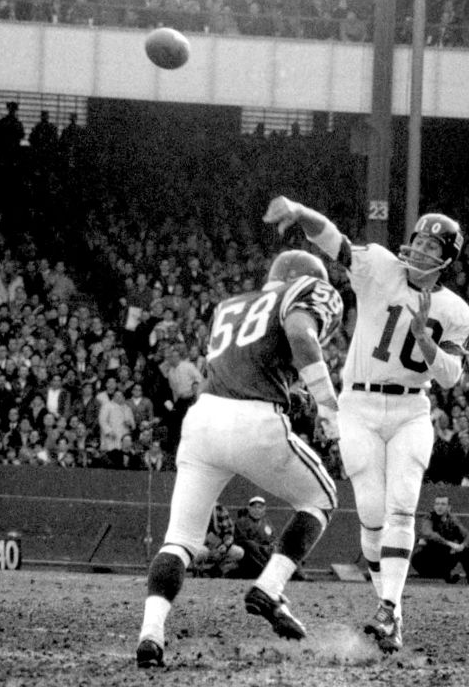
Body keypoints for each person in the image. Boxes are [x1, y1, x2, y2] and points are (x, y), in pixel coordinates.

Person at [263, 197, 469, 653]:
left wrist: (425, 339)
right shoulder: (380, 266)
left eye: (430, 245)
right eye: (418, 239)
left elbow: (450, 376)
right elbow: (334, 241)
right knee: (372, 514)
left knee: (402, 507)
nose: (419, 249)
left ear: (447, 260)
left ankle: (387, 608)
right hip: (357, 404)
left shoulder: (458, 313)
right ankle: (393, 615)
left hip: (409, 410)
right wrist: (302, 211)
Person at [136, 250, 344, 668]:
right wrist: (329, 407)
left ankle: (151, 635)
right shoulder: (302, 293)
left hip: (203, 419)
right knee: (321, 499)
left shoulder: (229, 306)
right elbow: (302, 336)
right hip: (253, 419)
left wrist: (290, 386)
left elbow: (252, 359)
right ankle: (269, 586)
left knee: (179, 541)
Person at [411, 496, 469, 585]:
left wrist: (462, 546)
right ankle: (445, 576)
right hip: (425, 560)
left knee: (463, 550)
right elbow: (429, 534)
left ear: (449, 507)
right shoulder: (429, 518)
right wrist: (449, 544)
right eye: (437, 504)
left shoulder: (452, 520)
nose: (439, 507)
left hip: (443, 558)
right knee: (436, 546)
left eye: (443, 504)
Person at [232, 496, 276, 578]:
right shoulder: (241, 522)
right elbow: (242, 541)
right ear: (249, 508)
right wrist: (260, 547)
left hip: (264, 554)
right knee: (251, 545)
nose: (257, 510)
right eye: (254, 507)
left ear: (264, 509)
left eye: (260, 507)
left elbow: (273, 539)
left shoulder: (267, 523)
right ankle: (269, 572)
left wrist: (270, 546)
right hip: (248, 558)